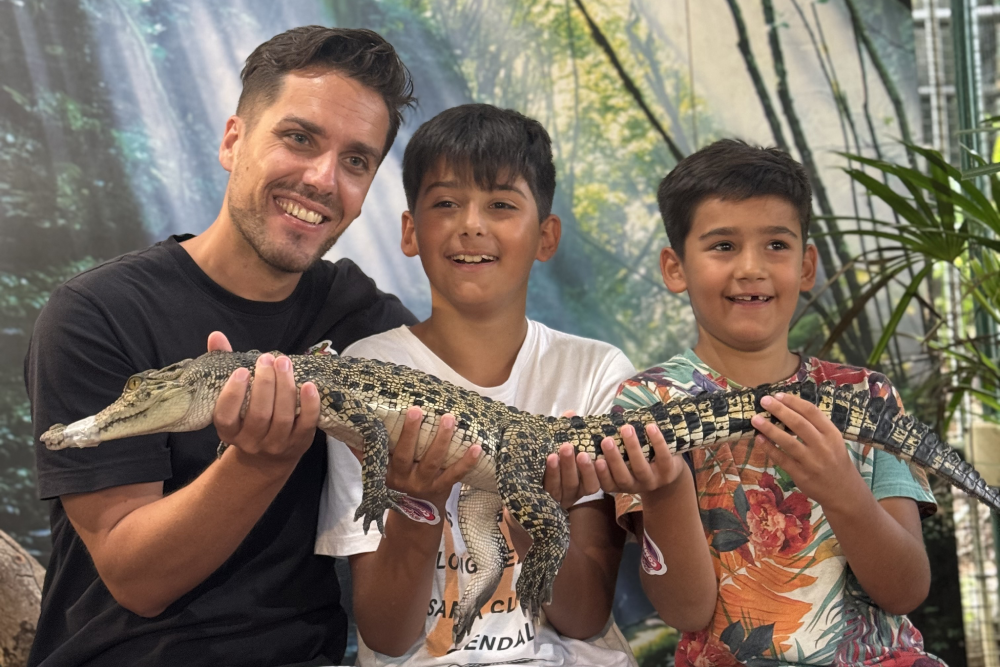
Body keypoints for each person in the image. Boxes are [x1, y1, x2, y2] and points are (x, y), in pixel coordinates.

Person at [25, 26, 417, 667]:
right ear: (233, 140)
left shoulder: (360, 315)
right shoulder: (96, 312)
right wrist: (259, 461)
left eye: (356, 161)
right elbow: (137, 580)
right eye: (299, 138)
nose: (322, 178)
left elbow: (468, 390)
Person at [316, 104, 716, 664]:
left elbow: (581, 616)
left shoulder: (596, 372)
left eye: (501, 204)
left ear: (546, 236)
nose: (471, 224)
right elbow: (386, 636)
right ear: (410, 231)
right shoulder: (366, 372)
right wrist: (419, 504)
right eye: (446, 203)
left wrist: (536, 515)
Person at [607, 139, 942, 667]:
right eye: (722, 246)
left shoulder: (865, 394)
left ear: (807, 266)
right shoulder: (647, 403)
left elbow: (905, 590)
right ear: (675, 268)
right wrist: (669, 487)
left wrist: (844, 492)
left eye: (776, 245)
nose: (750, 268)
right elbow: (686, 610)